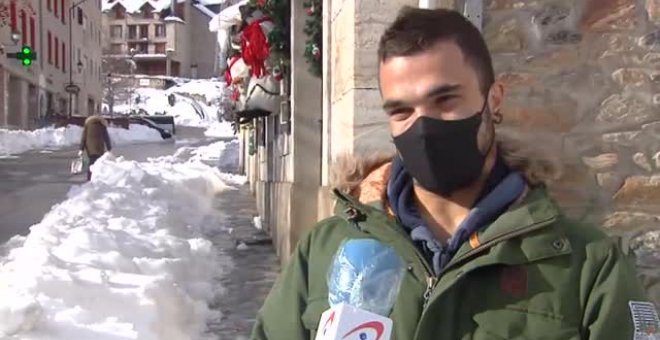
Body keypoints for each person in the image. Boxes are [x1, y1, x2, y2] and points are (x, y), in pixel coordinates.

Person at [250, 7, 658, 340]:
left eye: (444, 99)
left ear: (493, 100)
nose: (423, 128)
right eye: (401, 111)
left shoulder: (586, 265)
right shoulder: (327, 249)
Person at [79, 115, 112, 181]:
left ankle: (89, 178)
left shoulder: (87, 124)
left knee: (91, 162)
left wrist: (81, 149)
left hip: (89, 147)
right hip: (99, 147)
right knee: (98, 162)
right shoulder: (101, 124)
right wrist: (109, 148)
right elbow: (106, 137)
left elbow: (84, 137)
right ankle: (97, 178)